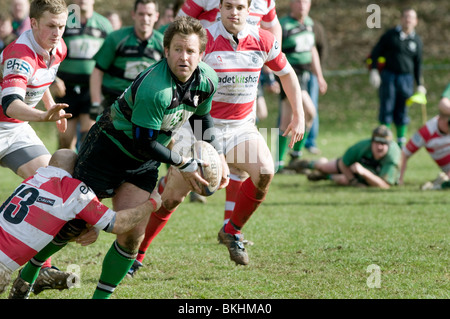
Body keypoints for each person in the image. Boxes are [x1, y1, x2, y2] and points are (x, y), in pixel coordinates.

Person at [133, 0, 305, 271]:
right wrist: (214, 152)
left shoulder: (263, 40)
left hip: (241, 128)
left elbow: (286, 73)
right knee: (172, 199)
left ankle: (232, 230)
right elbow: (196, 102)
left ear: (250, 11)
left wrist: (299, 114)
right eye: (228, 6)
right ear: (220, 9)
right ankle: (137, 255)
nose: (233, 12)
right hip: (199, 125)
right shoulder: (205, 40)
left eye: (239, 7)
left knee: (265, 172)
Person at [70, 16, 227, 299]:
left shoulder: (207, 80)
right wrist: (185, 163)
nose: (184, 57)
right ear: (165, 51)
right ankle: (31, 274)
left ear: (201, 55)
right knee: (72, 227)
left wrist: (217, 156)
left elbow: (202, 121)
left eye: (190, 51)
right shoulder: (156, 88)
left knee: (132, 235)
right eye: (177, 49)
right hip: (108, 149)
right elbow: (145, 141)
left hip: (142, 163)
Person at [3, 149, 161, 299]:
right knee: (72, 226)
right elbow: (118, 224)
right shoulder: (74, 193)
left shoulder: (35, 179)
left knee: (70, 226)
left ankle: (26, 281)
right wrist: (152, 204)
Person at [0, 0, 78, 297]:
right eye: (51, 26)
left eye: (61, 26)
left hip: (14, 129)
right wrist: (43, 115)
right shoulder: (19, 54)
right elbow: (12, 103)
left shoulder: (58, 47)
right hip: (10, 119)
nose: (58, 32)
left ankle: (41, 268)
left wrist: (48, 104)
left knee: (54, 186)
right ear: (32, 23)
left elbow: (41, 78)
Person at [89, 0, 164, 120]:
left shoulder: (163, 43)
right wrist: (96, 103)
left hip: (145, 103)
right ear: (133, 14)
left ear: (156, 16)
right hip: (114, 100)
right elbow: (98, 71)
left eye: (149, 15)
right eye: (141, 14)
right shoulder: (116, 38)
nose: (145, 19)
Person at [276, 0, 327, 172]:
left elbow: (312, 50)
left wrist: (319, 76)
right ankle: (287, 160)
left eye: (305, 2)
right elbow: (274, 50)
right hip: (290, 75)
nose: (302, 5)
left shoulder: (310, 24)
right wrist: (271, 75)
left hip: (305, 76)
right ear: (291, 4)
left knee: (289, 118)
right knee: (308, 113)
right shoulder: (282, 24)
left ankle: (288, 160)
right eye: (298, 2)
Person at [55, 0, 113, 150]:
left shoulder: (104, 24)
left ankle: (82, 173)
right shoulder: (64, 22)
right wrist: (53, 79)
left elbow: (111, 57)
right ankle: (64, 171)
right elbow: (49, 52)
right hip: (66, 89)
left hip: (93, 90)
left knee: (89, 137)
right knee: (66, 140)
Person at [369, 8, 425, 147]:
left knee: (402, 110)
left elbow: (418, 64)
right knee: (386, 108)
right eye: (406, 17)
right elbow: (375, 53)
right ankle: (383, 140)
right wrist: (374, 71)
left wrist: (420, 84)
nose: (408, 20)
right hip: (389, 77)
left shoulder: (416, 41)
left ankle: (400, 143)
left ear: (416, 21)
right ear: (401, 18)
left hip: (406, 79)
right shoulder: (390, 35)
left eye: (411, 18)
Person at [296, 125, 401, 189]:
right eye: (377, 142)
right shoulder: (361, 147)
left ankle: (324, 176)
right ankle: (306, 164)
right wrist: (354, 181)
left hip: (369, 175)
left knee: (343, 180)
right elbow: (343, 163)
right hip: (354, 170)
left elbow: (384, 185)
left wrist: (364, 172)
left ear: (389, 145)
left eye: (383, 144)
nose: (379, 147)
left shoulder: (392, 156)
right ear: (371, 142)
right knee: (324, 167)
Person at [399, 83, 450, 190]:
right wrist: (400, 178)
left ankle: (440, 184)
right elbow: (405, 153)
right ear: (440, 118)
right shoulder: (427, 132)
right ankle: (440, 184)